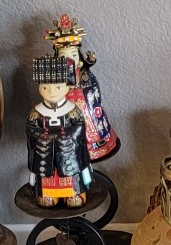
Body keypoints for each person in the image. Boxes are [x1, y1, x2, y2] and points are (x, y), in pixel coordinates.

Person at [45, 14, 119, 160]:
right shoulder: (56, 77)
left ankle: (95, 146)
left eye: (73, 55)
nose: (69, 60)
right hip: (66, 112)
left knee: (90, 126)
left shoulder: (85, 74)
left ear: (79, 57)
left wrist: (83, 94)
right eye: (63, 57)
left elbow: (93, 91)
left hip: (86, 110)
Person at [27, 54, 92, 207]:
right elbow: (31, 130)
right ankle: (48, 194)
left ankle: (74, 192)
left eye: (57, 87)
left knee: (72, 173)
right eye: (45, 87)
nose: (51, 92)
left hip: (69, 153)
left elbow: (79, 129)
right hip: (45, 154)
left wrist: (61, 136)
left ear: (67, 85)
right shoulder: (36, 112)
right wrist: (45, 137)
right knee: (46, 177)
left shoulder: (72, 111)